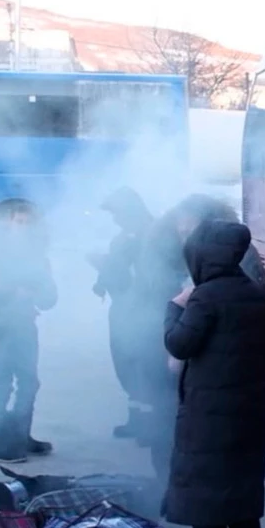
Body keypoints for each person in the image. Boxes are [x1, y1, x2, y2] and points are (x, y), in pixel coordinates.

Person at [163, 218, 265, 528]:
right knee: (242, 500)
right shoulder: (258, 293)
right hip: (249, 413)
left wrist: (173, 307)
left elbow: (179, 345)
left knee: (207, 500)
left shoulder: (204, 298)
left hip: (208, 415)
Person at [0, 198, 58, 463]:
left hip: (23, 327)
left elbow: (50, 297)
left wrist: (38, 292)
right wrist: (12, 292)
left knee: (29, 382)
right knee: (2, 384)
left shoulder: (36, 255)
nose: (22, 227)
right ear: (7, 222)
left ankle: (20, 434)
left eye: (27, 223)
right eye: (18, 221)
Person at [89, 187, 156, 440]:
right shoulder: (122, 237)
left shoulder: (153, 235)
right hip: (122, 308)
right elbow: (115, 267)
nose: (115, 219)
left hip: (144, 309)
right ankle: (136, 420)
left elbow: (151, 273)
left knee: (144, 365)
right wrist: (101, 277)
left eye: (117, 213)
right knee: (125, 363)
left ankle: (150, 425)